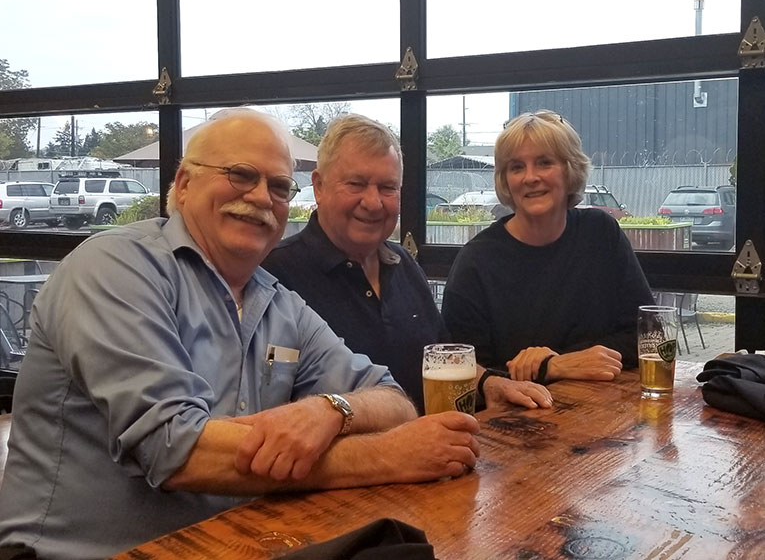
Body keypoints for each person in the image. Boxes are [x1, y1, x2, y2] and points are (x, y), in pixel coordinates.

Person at [0, 109, 479, 560]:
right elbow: (176, 450)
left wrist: (329, 409)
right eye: (241, 175)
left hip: (231, 543)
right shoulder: (116, 265)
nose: (261, 197)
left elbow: (392, 398)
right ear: (184, 183)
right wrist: (387, 456)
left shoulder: (277, 301)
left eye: (278, 186)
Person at [263, 113, 551, 413]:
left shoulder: (403, 264)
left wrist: (489, 384)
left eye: (387, 187)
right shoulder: (275, 276)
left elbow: (443, 360)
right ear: (319, 187)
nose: (373, 202)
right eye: (356, 184)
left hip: (434, 440)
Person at [442, 110, 654, 392]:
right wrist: (552, 368)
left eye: (544, 163)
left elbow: (649, 335)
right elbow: (464, 373)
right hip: (517, 416)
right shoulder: (476, 263)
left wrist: (559, 361)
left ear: (570, 171)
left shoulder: (601, 234)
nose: (530, 177)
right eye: (517, 167)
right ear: (506, 181)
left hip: (603, 407)